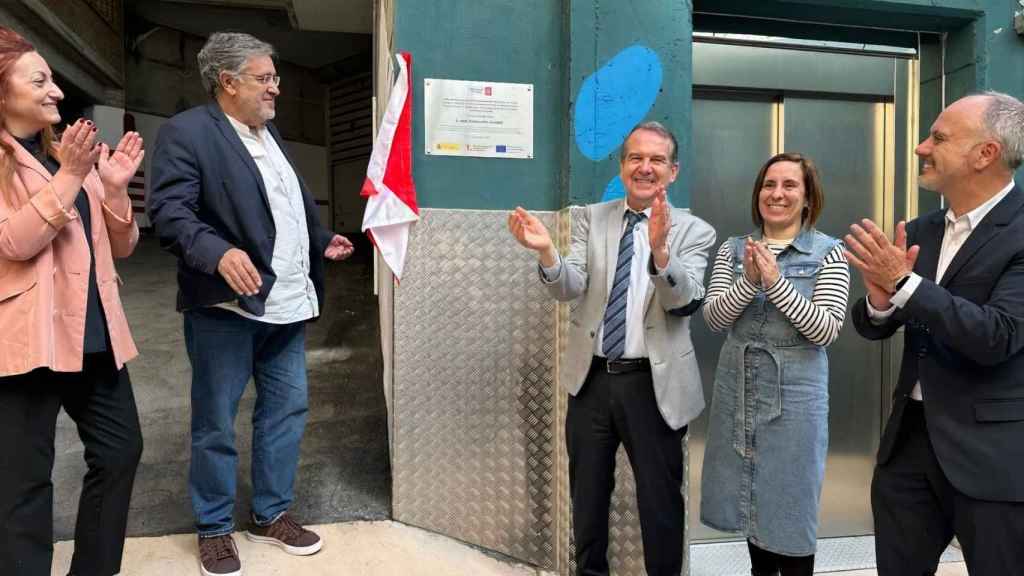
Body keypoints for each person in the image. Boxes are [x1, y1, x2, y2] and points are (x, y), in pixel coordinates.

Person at [147, 32, 354, 576]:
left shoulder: (268, 133)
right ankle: (214, 526)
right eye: (265, 78)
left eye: (275, 78)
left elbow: (283, 207)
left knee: (285, 411)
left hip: (286, 303)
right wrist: (216, 253)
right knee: (215, 420)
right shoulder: (187, 132)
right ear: (228, 82)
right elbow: (170, 211)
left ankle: (271, 512)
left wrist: (319, 238)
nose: (276, 89)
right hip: (227, 308)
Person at [508, 121, 715, 576]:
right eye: (635, 158)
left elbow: (684, 302)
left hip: (655, 386)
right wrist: (546, 253)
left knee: (660, 503)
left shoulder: (695, 231)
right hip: (593, 381)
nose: (645, 167)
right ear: (622, 167)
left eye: (656, 160)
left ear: (673, 171)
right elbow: (571, 287)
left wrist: (661, 253)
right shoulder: (591, 217)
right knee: (588, 499)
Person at [846, 91, 1024, 575]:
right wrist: (881, 304)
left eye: (938, 138)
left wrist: (903, 283)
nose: (922, 147)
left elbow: (998, 336)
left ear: (985, 154)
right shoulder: (922, 228)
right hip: (909, 448)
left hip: (992, 459)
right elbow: (880, 323)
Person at [0, 26, 145, 576]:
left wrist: (110, 190)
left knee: (119, 452)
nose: (56, 90)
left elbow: (123, 246)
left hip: (94, 334)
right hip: (26, 341)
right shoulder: (53, 163)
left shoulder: (68, 154)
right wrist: (72, 177)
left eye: (54, 79)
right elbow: (13, 241)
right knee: (22, 482)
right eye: (39, 79)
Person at [699, 153, 850, 576]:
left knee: (791, 506)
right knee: (749, 499)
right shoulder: (732, 251)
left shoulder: (829, 253)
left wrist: (775, 284)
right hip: (739, 390)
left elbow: (824, 330)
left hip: (796, 400)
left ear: (807, 198)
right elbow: (713, 319)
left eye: (789, 185)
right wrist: (748, 282)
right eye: (769, 185)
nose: (777, 194)